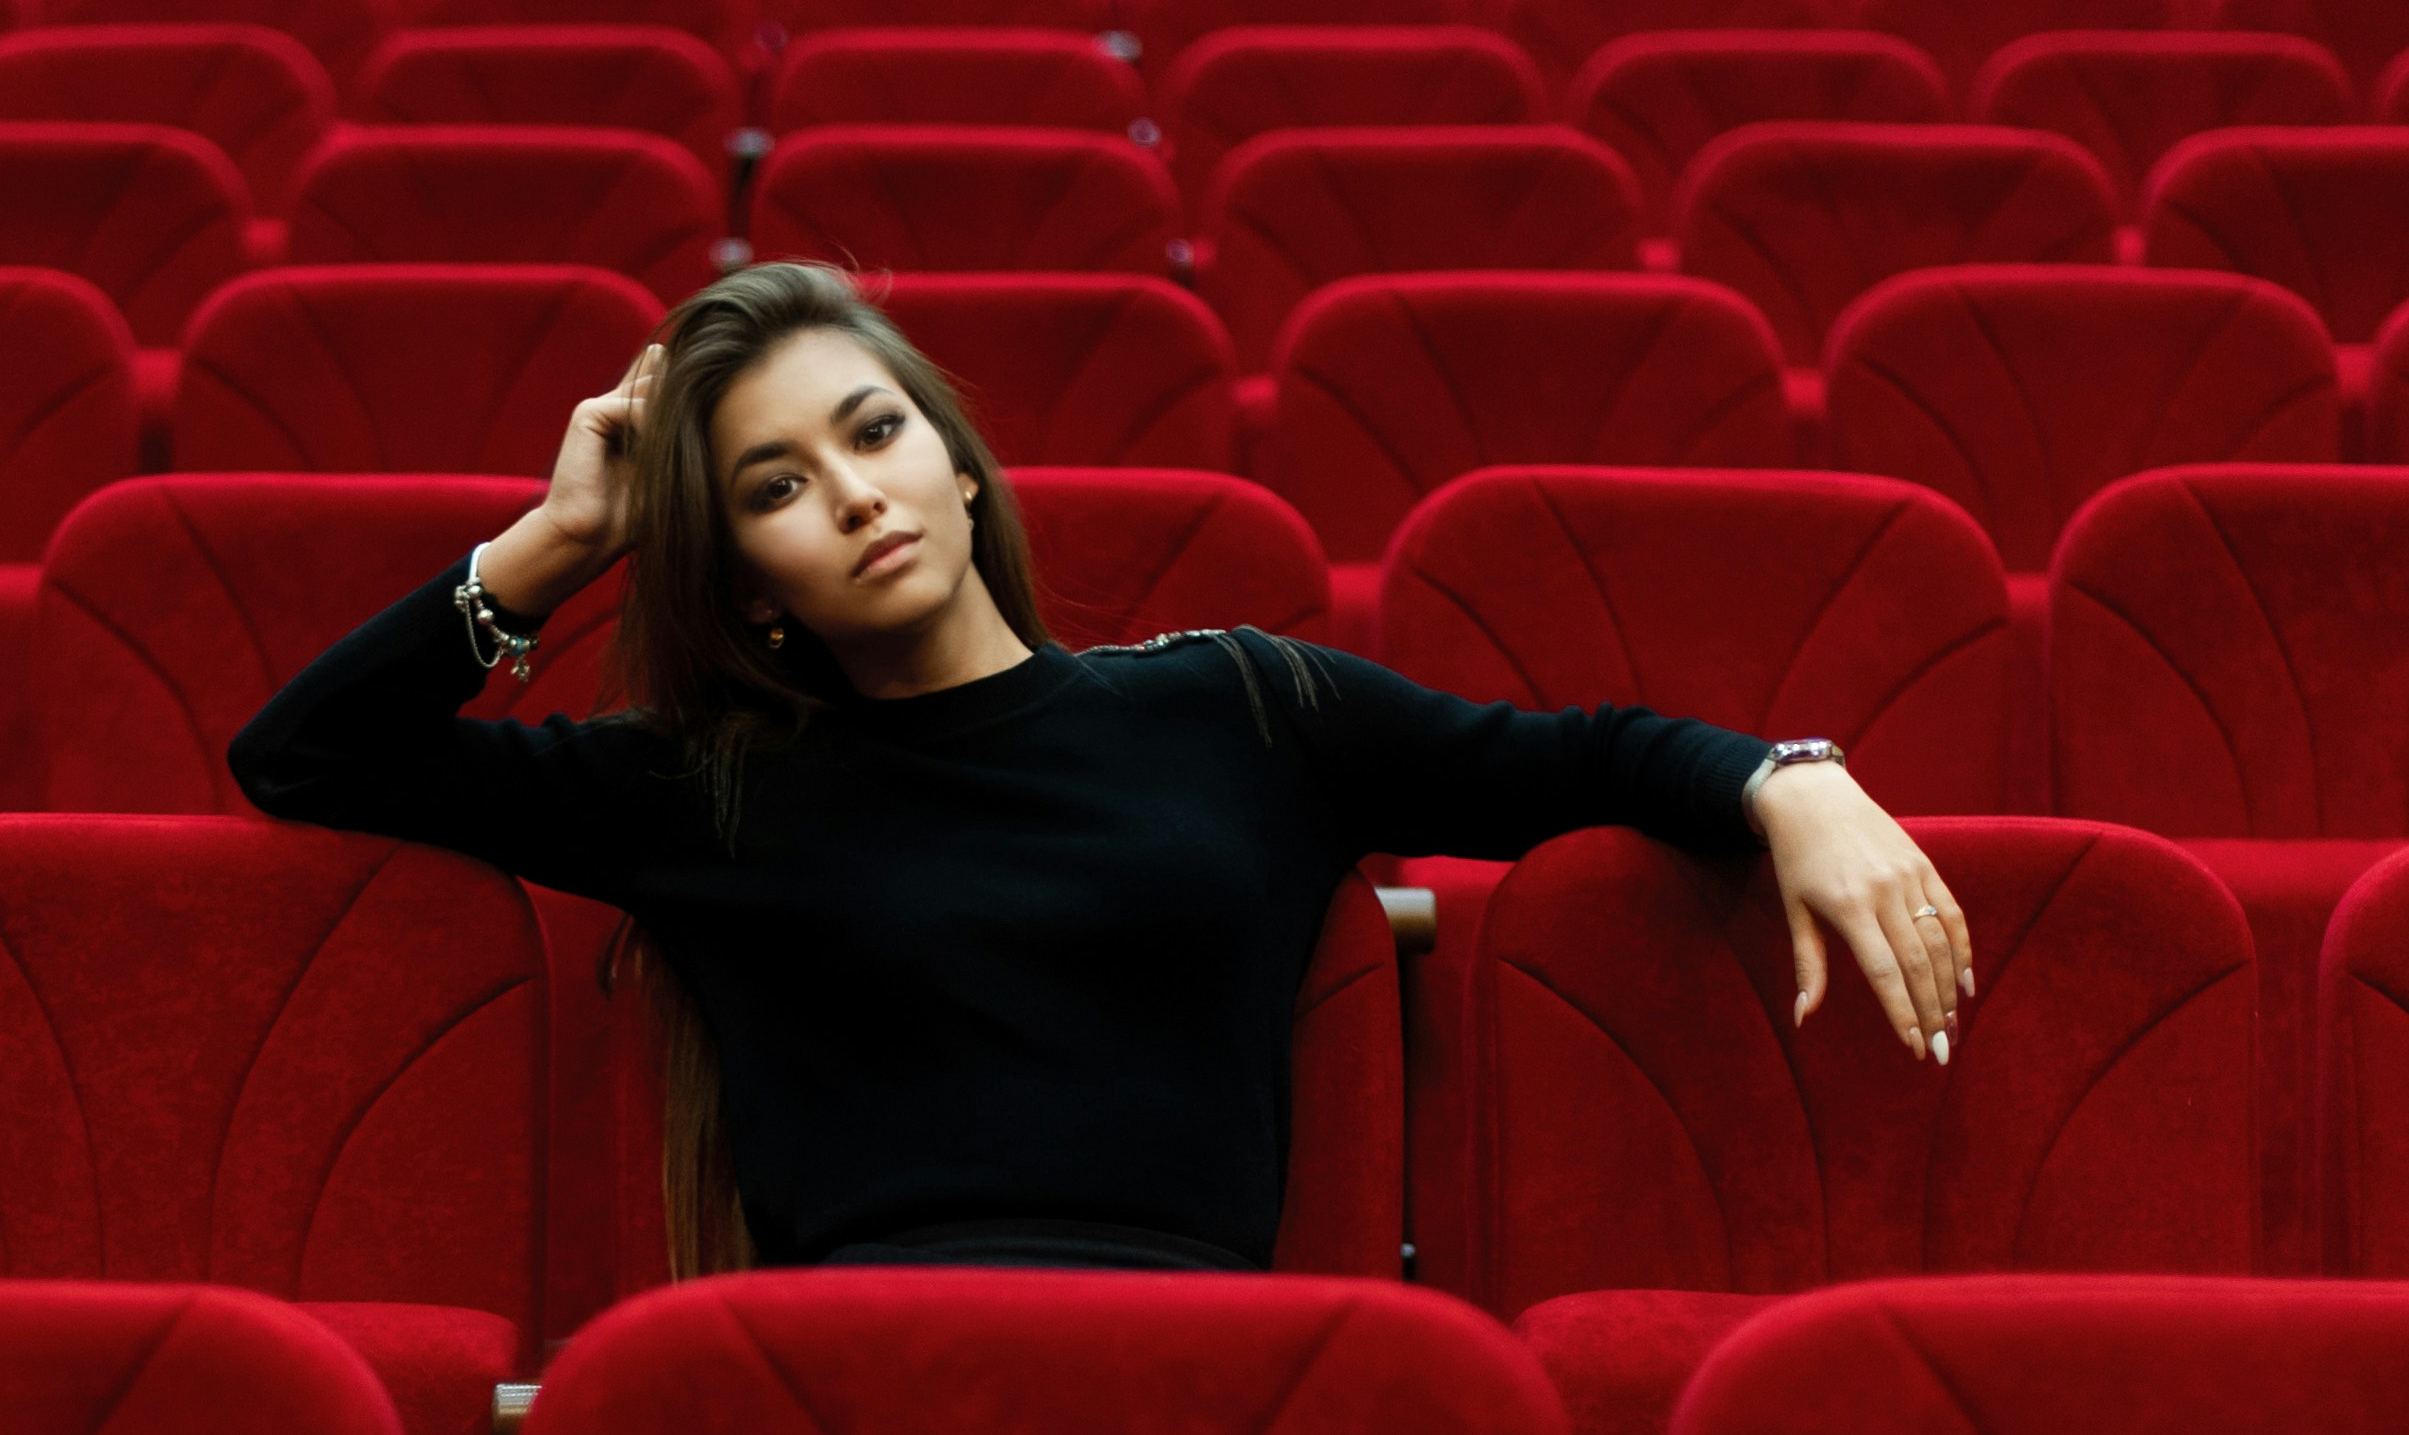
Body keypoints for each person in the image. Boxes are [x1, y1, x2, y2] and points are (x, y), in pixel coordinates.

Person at [230, 262, 1972, 1277]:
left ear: (957, 467)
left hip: (1206, 1378)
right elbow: (304, 756)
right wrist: (558, 537)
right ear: (748, 587)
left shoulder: (1242, 706)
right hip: (843, 1385)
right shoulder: (702, 788)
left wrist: (1790, 780)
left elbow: (1571, 756)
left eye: (872, 430)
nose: (848, 493)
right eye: (770, 490)